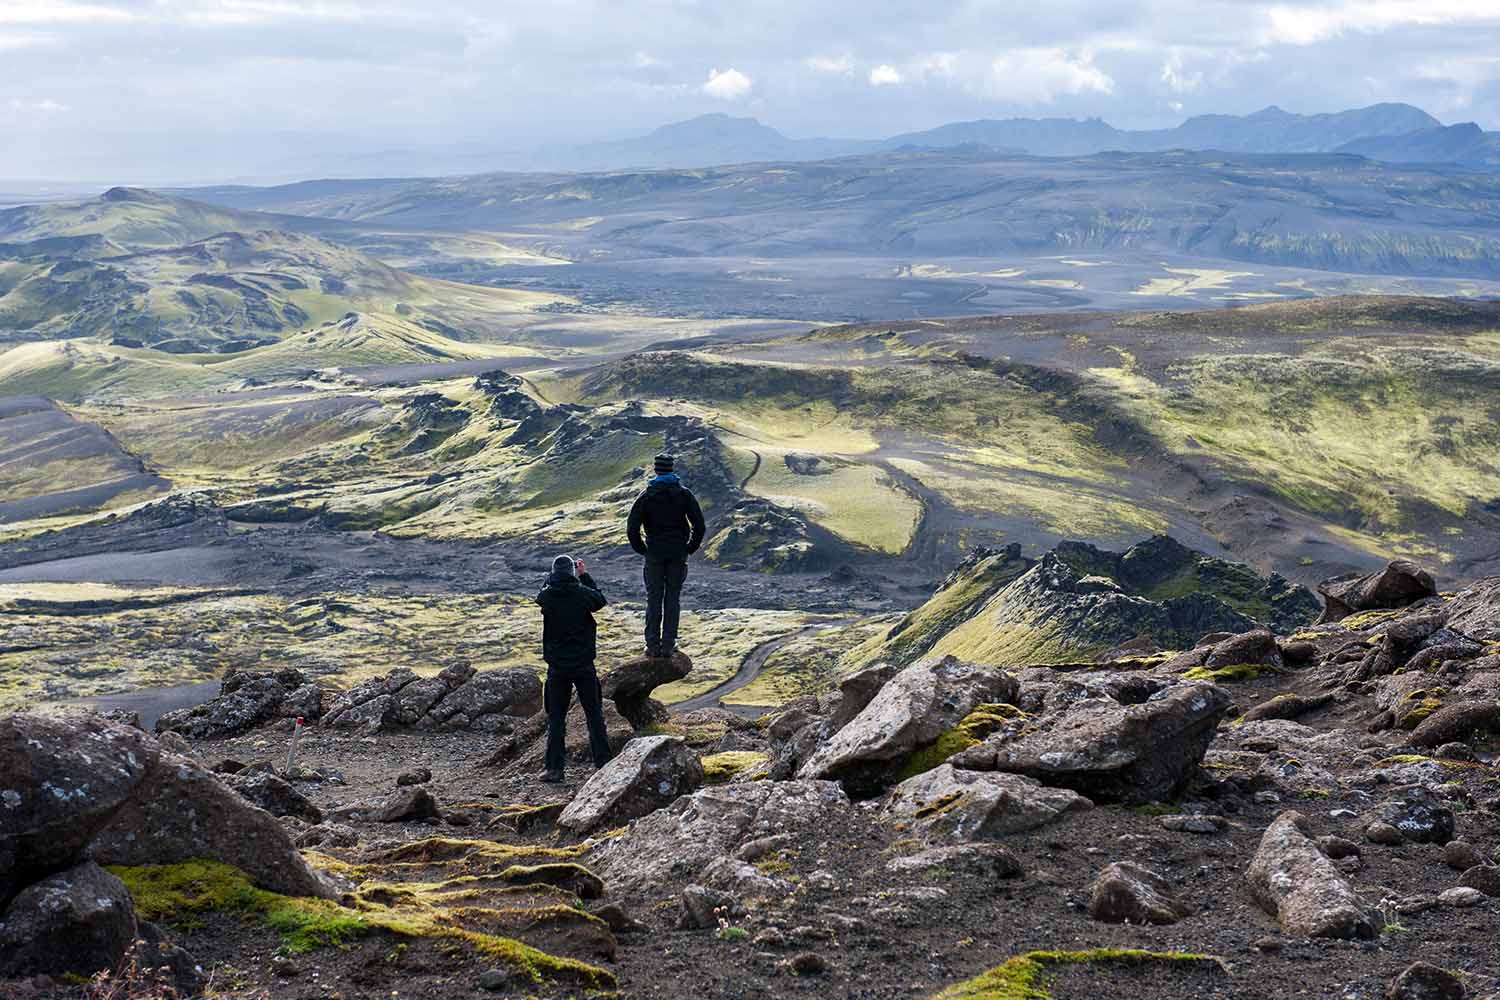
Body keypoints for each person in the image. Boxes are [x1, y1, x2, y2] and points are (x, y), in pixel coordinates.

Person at [534, 554, 612, 783]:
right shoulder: (583, 594)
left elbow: (541, 595)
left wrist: (550, 578)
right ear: (572, 571)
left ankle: (555, 769)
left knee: (556, 718)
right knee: (594, 714)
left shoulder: (547, 596)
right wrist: (585, 575)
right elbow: (600, 600)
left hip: (557, 667)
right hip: (584, 665)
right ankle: (603, 763)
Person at [626, 453, 706, 659]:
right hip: (678, 553)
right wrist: (690, 548)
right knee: (672, 598)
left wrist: (643, 550)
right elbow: (699, 525)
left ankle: (652, 646)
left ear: (656, 470)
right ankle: (669, 645)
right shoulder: (684, 494)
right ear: (671, 469)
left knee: (653, 598)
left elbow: (632, 527)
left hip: (654, 554)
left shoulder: (646, 496)